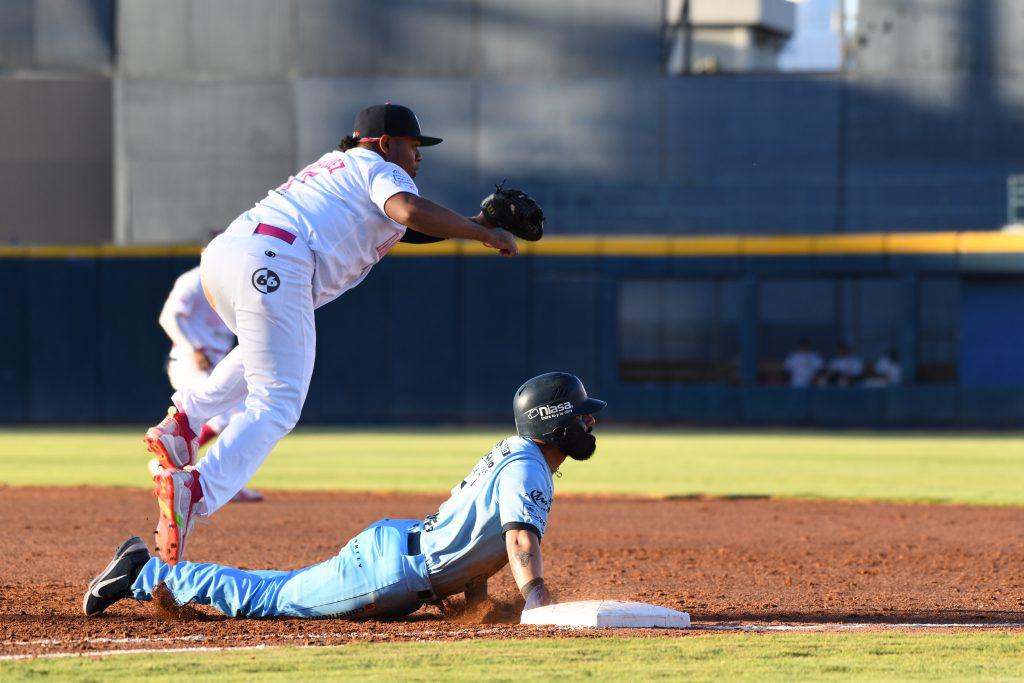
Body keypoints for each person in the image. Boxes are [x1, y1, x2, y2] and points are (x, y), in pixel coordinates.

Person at [142, 103, 521, 566]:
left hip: (228, 256)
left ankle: (182, 422)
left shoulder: (338, 167)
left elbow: (406, 224)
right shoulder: (378, 167)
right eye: (413, 144)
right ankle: (196, 489)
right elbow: (408, 209)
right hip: (275, 260)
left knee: (267, 361)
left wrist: (474, 224)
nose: (419, 154)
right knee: (279, 400)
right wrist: (480, 235)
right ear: (385, 143)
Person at [84, 372, 605, 620]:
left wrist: (478, 602)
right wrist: (536, 599)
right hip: (388, 569)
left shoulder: (518, 456)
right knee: (274, 597)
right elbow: (515, 541)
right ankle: (142, 573)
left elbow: (471, 527)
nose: (590, 421)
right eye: (582, 414)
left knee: (281, 589)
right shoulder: (529, 469)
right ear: (553, 421)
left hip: (400, 553)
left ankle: (147, 572)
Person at [157, 265, 261, 503]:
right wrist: (193, 347)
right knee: (221, 419)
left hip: (219, 360)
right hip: (191, 359)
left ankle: (228, 484)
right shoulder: (194, 279)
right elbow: (168, 316)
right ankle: (164, 463)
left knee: (240, 419)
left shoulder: (233, 278)